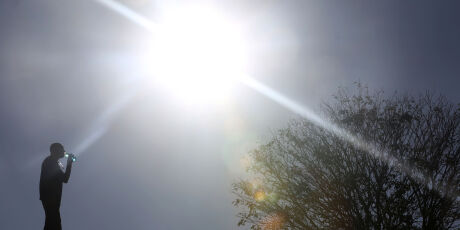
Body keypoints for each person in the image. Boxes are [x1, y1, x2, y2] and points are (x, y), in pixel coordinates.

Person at [39, 143, 74, 230]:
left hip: (51, 198)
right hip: (50, 196)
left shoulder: (55, 162)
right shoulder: (50, 161)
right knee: (54, 222)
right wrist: (69, 163)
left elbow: (64, 179)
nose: (64, 151)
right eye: (62, 149)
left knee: (52, 222)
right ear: (55, 150)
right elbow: (65, 179)